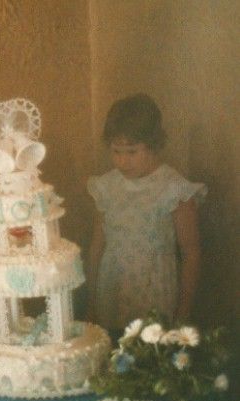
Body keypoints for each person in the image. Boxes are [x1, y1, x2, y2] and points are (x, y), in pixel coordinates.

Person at [86, 93, 206, 333]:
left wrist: (183, 313)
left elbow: (190, 252)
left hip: (155, 294)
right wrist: (91, 301)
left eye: (132, 152)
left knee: (147, 358)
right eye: (116, 151)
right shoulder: (107, 186)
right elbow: (98, 245)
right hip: (112, 291)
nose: (122, 161)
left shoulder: (174, 189)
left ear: (153, 144)